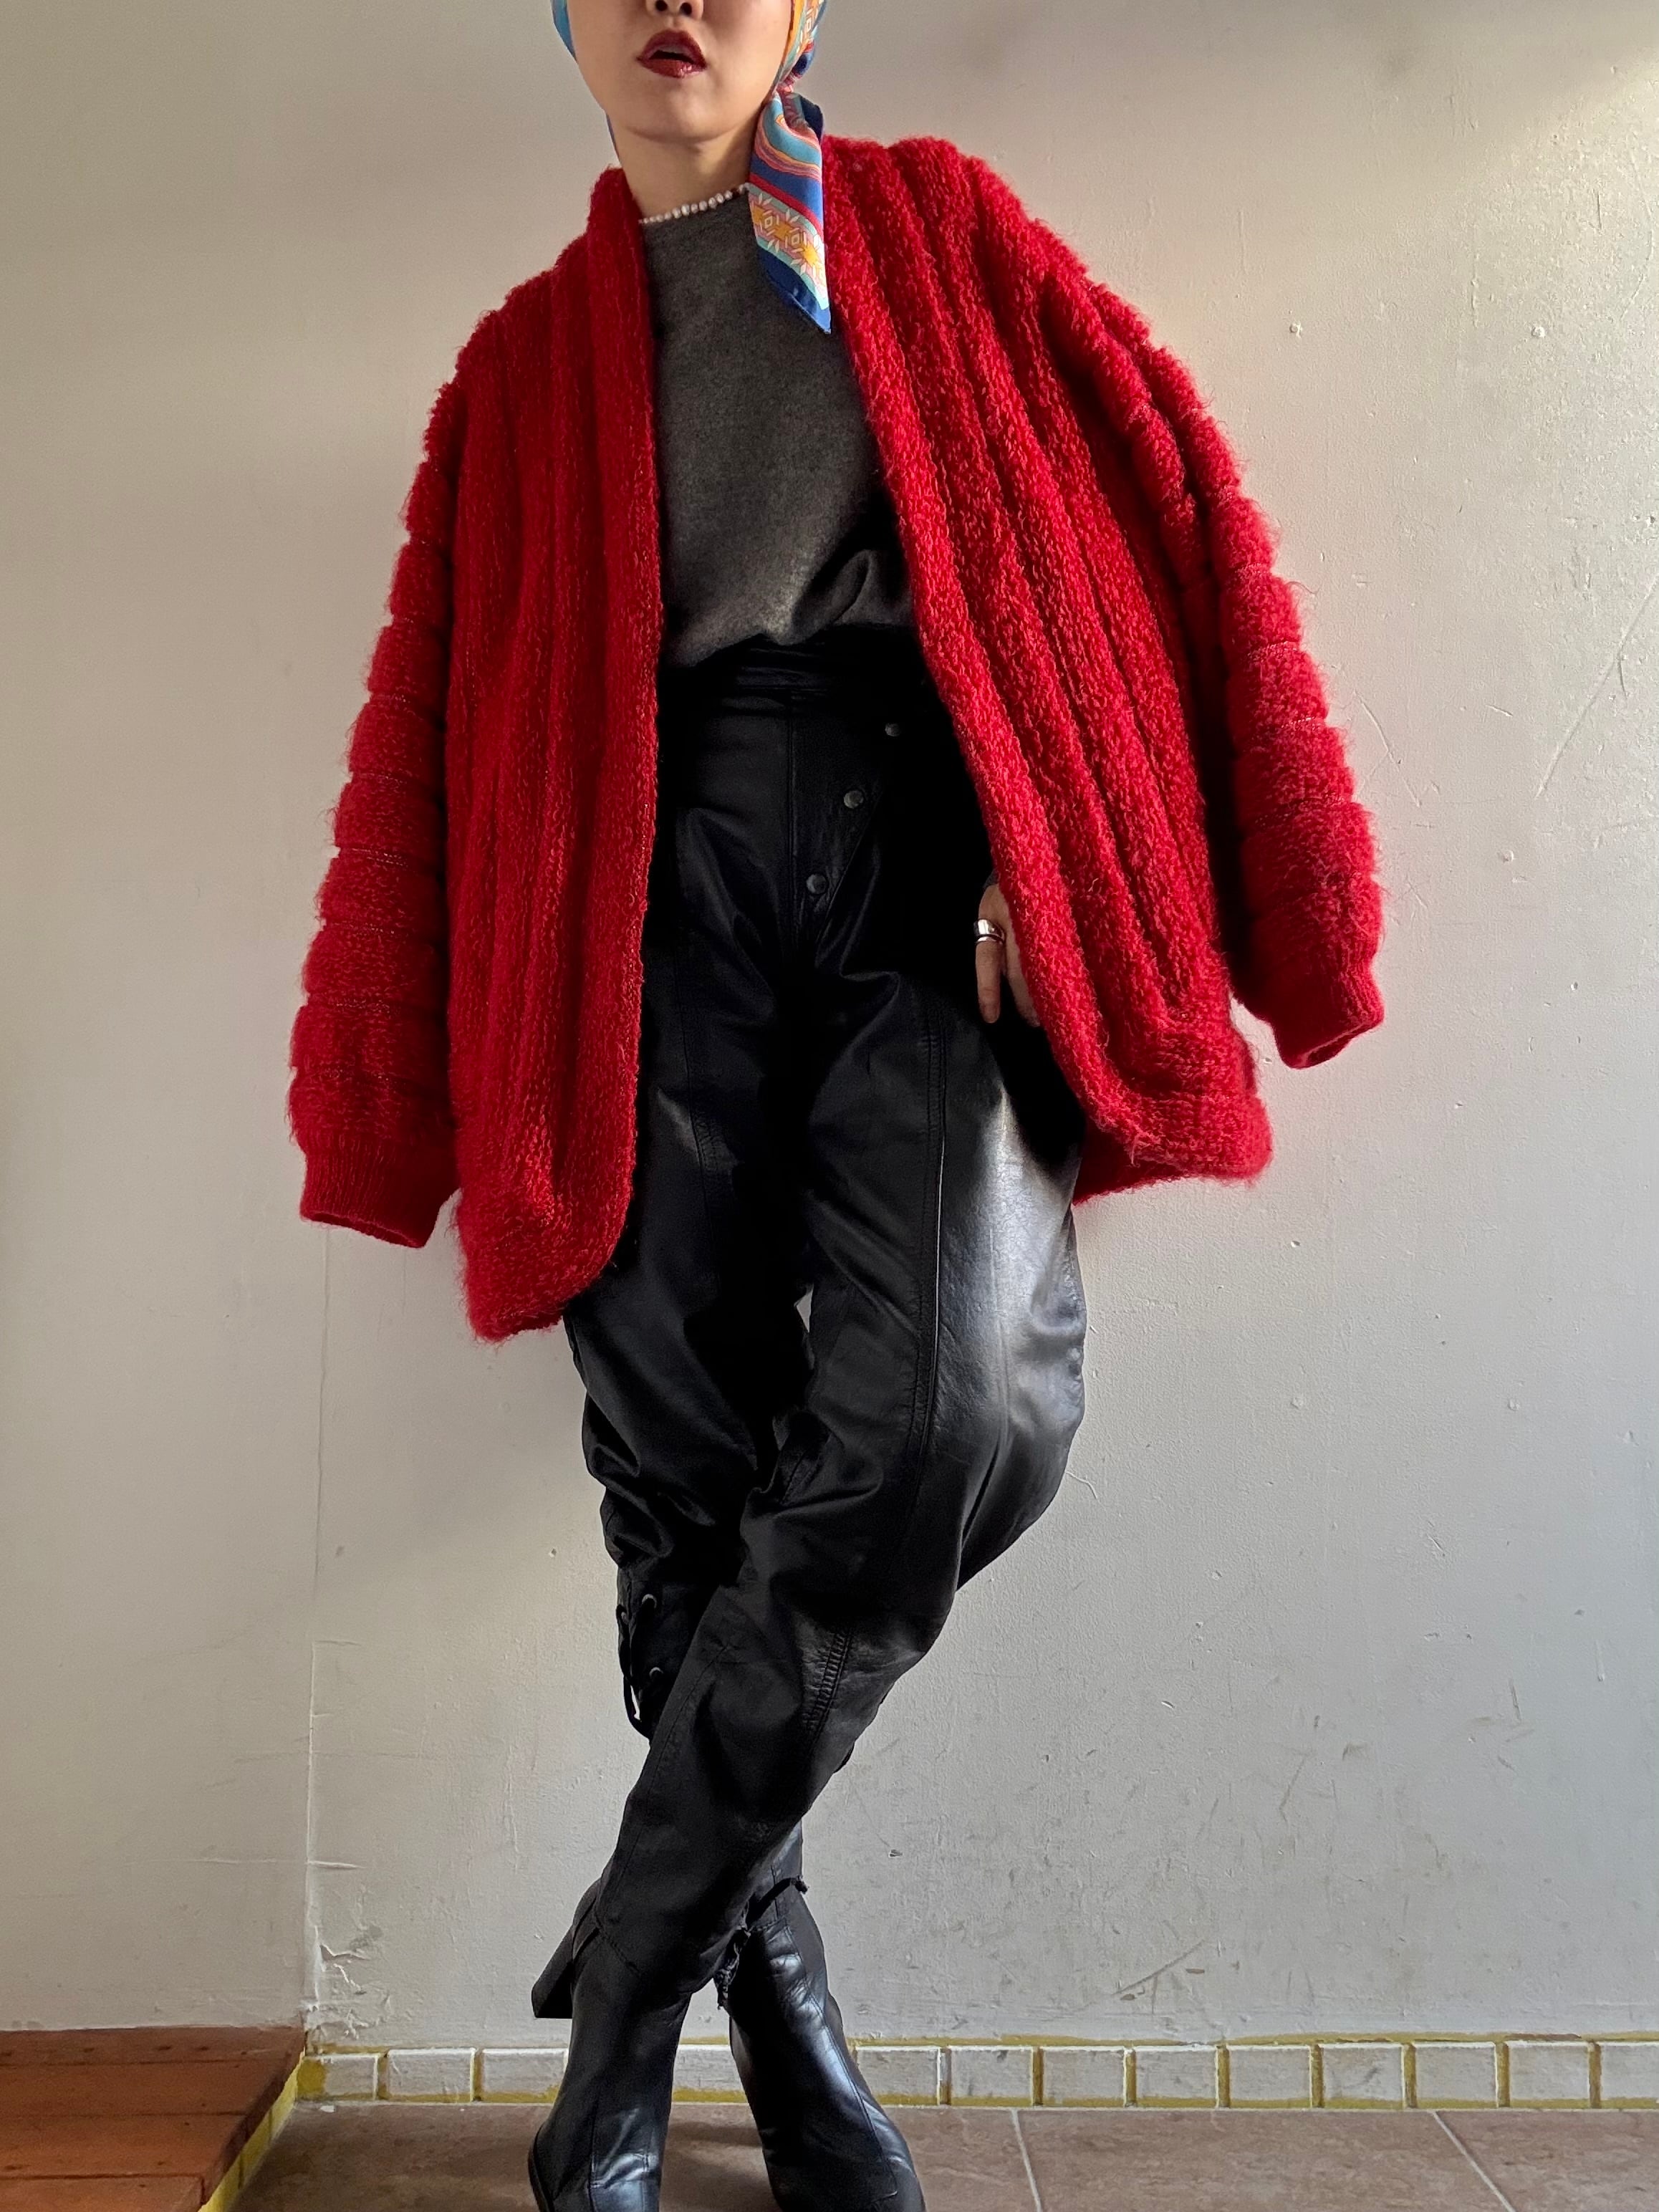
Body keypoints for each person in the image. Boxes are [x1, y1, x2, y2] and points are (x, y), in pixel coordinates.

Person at [285, 4, 1388, 2205]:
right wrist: (395, 1081)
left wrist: (1051, 842)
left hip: (921, 865)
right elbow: (432, 718)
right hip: (632, 900)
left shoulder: (938, 234)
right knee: (680, 1466)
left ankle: (630, 1961)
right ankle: (769, 2014)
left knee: (962, 1411)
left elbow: (1147, 524)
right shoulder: (519, 366)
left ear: (803, 16)